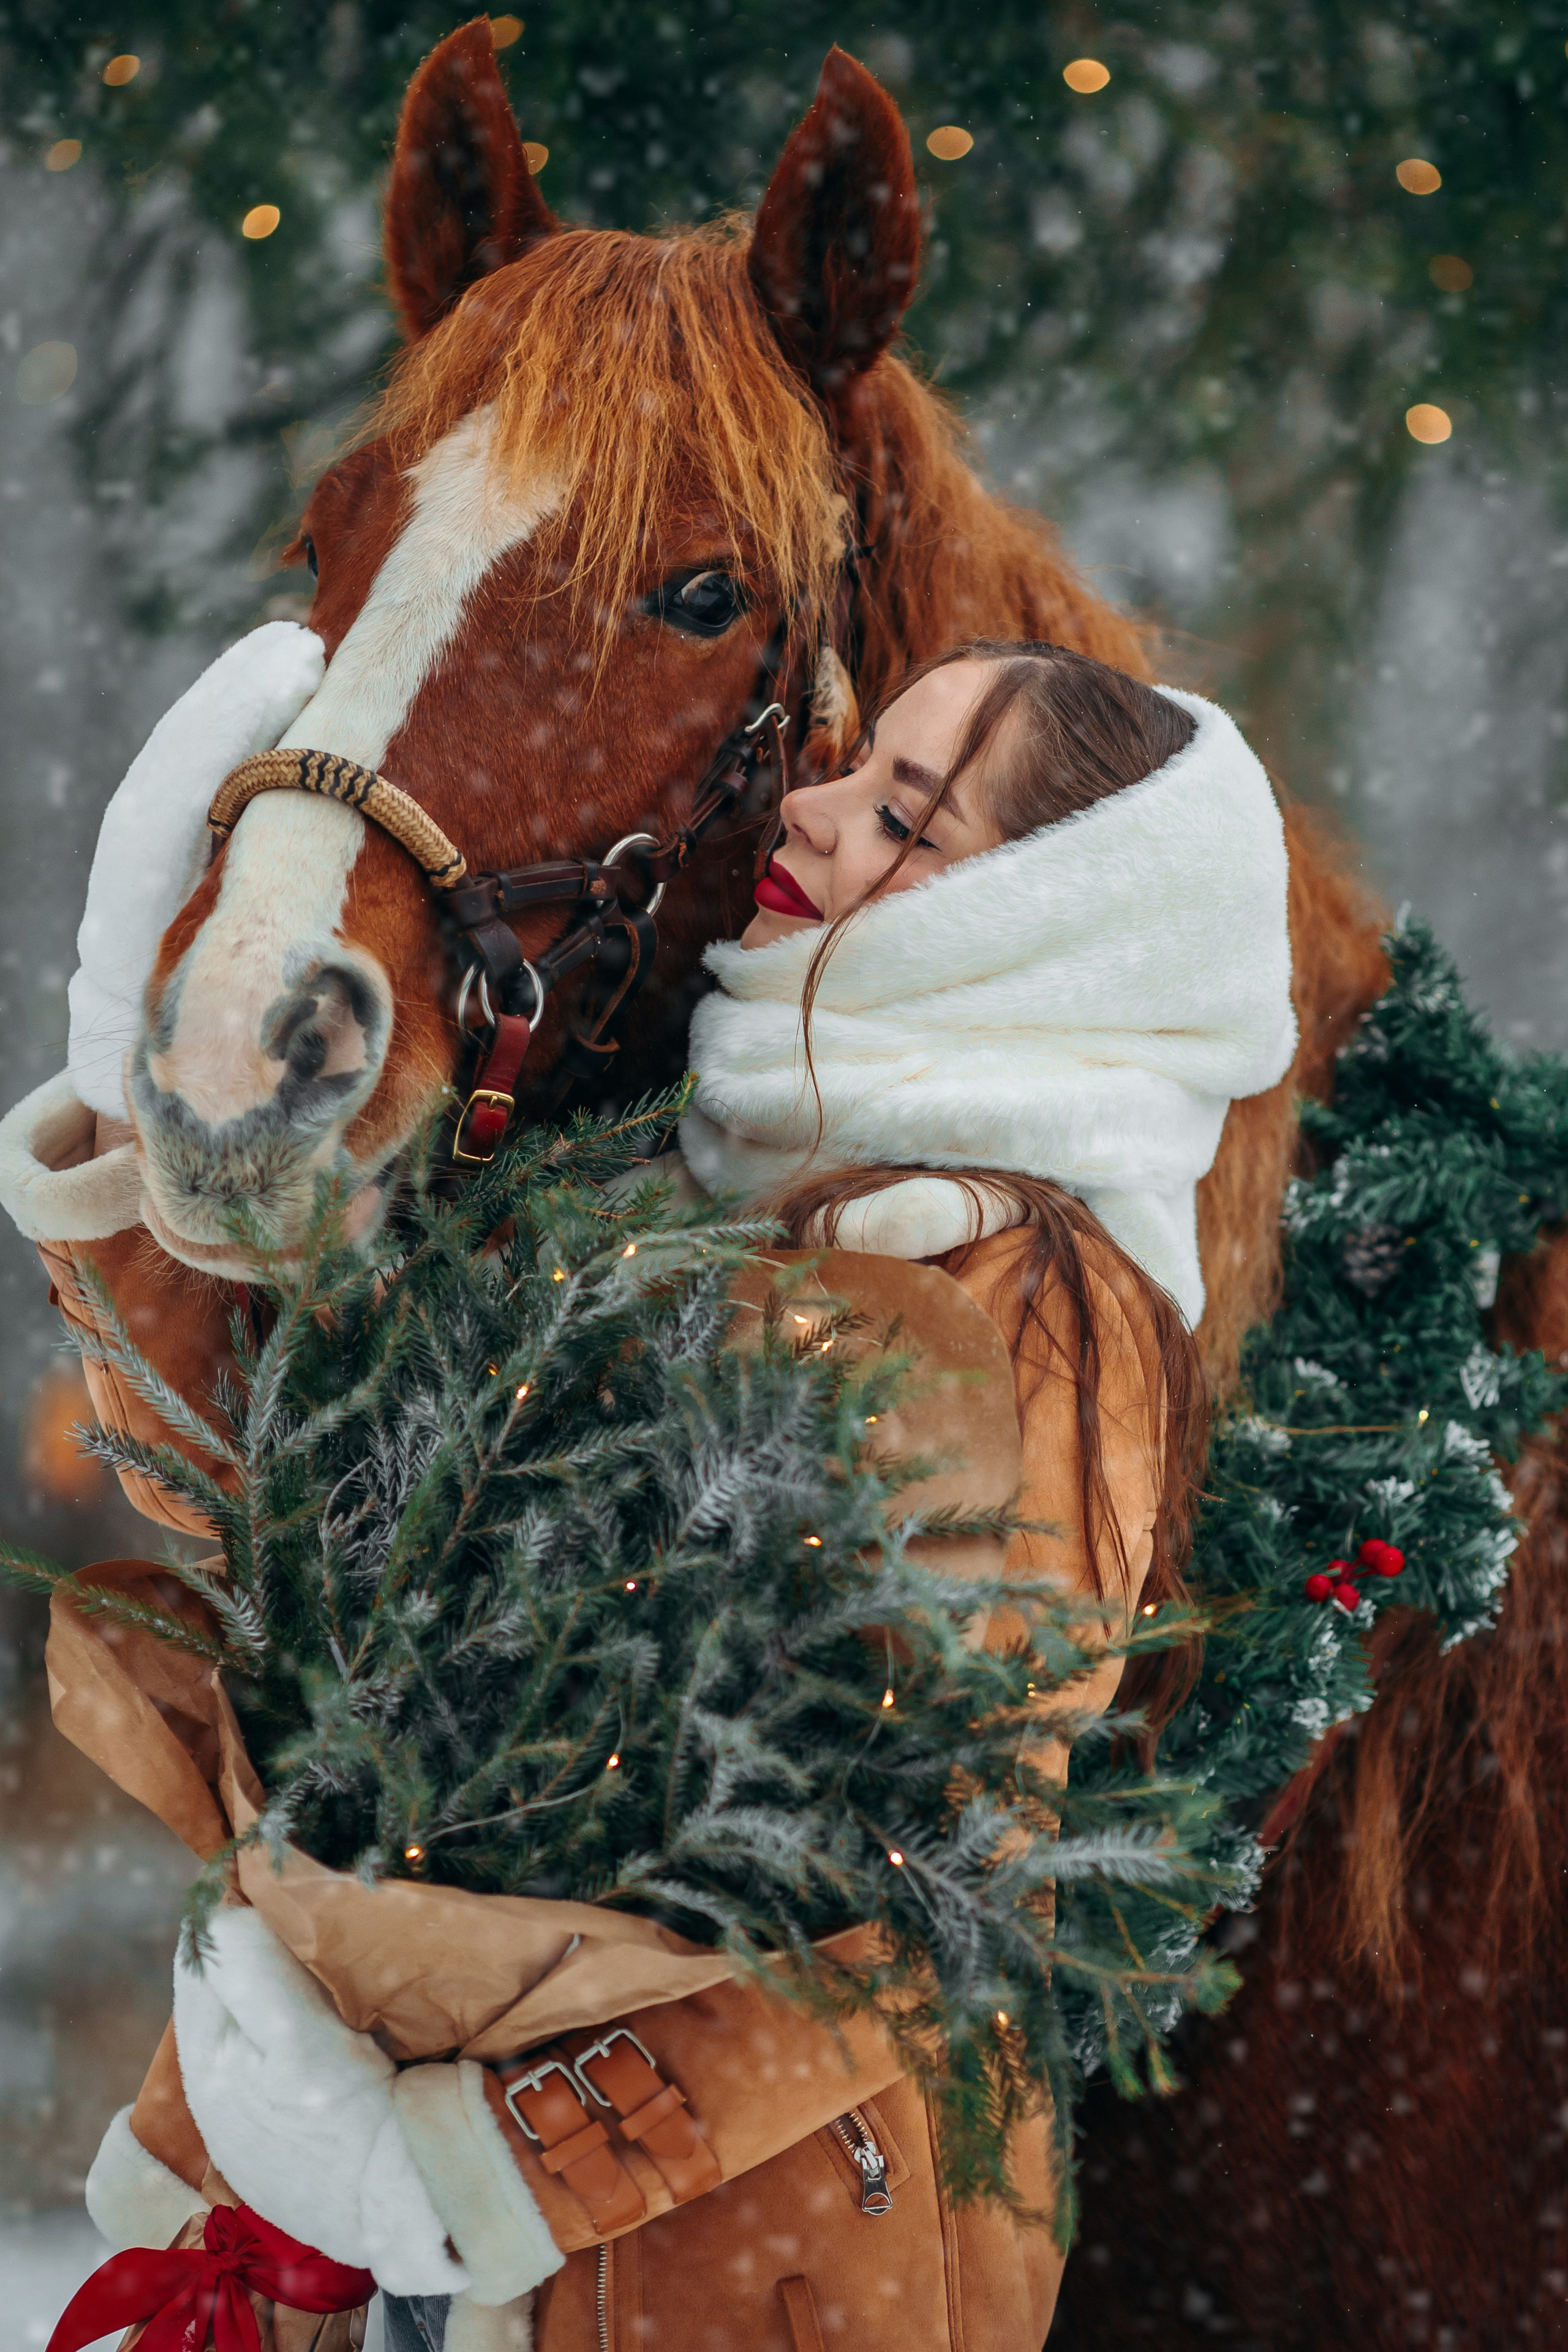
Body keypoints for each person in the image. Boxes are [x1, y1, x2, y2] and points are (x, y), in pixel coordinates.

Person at [0, 637, 1294, 2352]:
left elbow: (921, 1873)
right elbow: (254, 1500)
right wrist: (129, 1055)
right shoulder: (674, 1177)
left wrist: (482, 2164)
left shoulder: (1022, 1293)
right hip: (455, 2238)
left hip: (730, 2260)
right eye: (852, 772)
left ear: (1033, 933)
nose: (814, 813)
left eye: (902, 815)